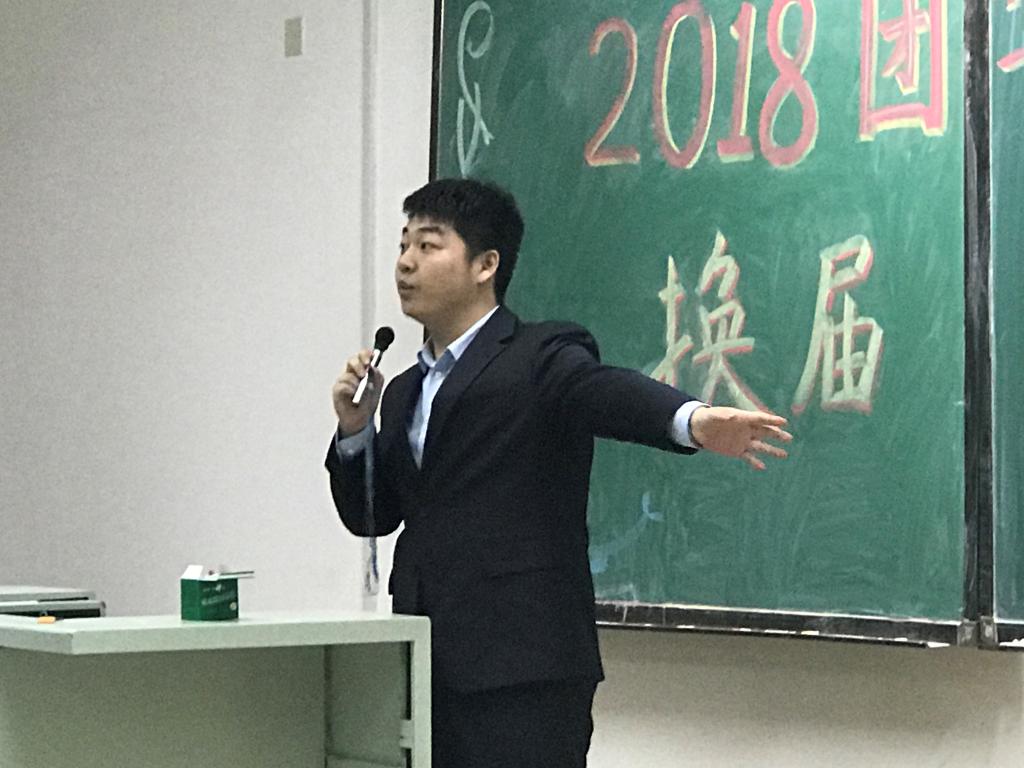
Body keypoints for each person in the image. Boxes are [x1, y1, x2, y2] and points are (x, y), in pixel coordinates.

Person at [325, 178, 791, 768]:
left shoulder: (538, 355)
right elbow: (372, 517)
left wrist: (690, 420)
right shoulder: (403, 390)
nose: (405, 263)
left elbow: (603, 392)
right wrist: (355, 431)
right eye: (402, 246)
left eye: (428, 245)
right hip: (424, 659)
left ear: (485, 265)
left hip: (525, 667)